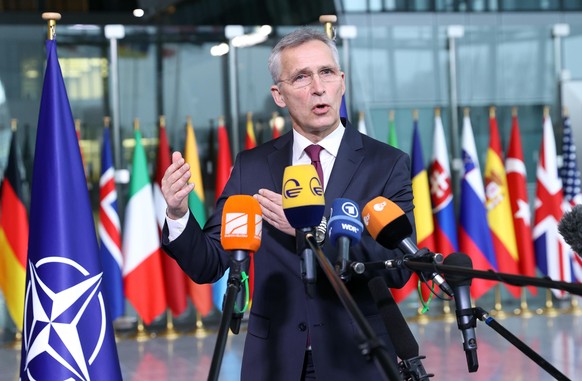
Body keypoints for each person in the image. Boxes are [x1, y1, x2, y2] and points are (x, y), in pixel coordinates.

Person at [161, 28, 415, 381]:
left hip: (357, 358)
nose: (318, 87)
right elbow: (209, 264)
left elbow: (398, 268)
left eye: (326, 72)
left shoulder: (385, 164)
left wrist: (313, 229)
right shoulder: (252, 166)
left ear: (342, 81)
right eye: (301, 77)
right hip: (275, 361)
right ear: (278, 95)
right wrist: (177, 214)